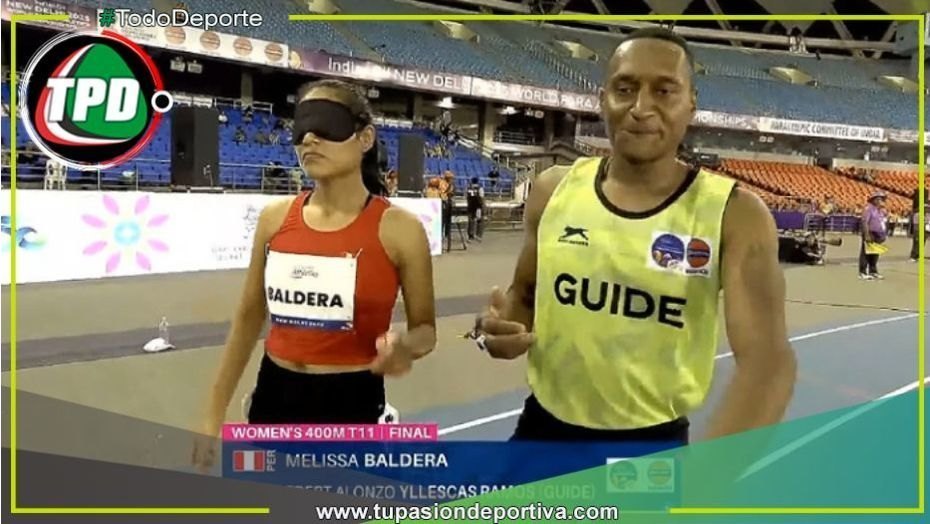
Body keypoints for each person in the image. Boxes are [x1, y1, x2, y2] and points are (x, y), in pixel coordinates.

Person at [471, 27, 796, 444]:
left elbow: (768, 364)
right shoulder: (553, 190)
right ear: (602, 99)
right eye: (625, 88)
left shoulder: (734, 214)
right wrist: (497, 332)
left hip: (646, 446)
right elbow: (525, 297)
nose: (641, 108)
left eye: (664, 91)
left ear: (691, 105)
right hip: (541, 429)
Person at [193, 79, 436, 471]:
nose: (309, 138)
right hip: (274, 394)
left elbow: (426, 328)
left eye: (326, 125)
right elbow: (248, 318)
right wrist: (213, 412)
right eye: (301, 127)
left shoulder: (400, 230)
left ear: (365, 137)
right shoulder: (274, 221)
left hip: (351, 402)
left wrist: (404, 346)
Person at [859, 191, 888, 280]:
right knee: (866, 253)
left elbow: (882, 222)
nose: (880, 201)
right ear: (873, 200)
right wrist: (867, 234)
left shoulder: (880, 211)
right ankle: (862, 272)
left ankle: (873, 271)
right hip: (870, 233)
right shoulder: (869, 209)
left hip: (879, 234)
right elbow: (865, 222)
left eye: (881, 199)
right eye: (878, 199)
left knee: (875, 253)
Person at [466, 176, 485, 242]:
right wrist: (481, 206)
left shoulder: (468, 188)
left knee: (471, 221)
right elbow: (481, 197)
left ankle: (470, 236)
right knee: (479, 220)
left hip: (471, 206)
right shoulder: (480, 188)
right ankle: (478, 235)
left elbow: (467, 197)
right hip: (478, 206)